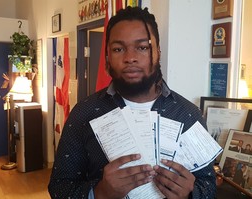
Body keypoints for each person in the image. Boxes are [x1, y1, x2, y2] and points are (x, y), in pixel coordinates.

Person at [48, 6, 216, 199]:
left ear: (158, 52)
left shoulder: (189, 115)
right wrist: (100, 192)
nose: (130, 58)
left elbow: (209, 186)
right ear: (107, 57)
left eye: (142, 47)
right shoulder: (84, 114)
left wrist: (191, 194)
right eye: (118, 49)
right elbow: (59, 188)